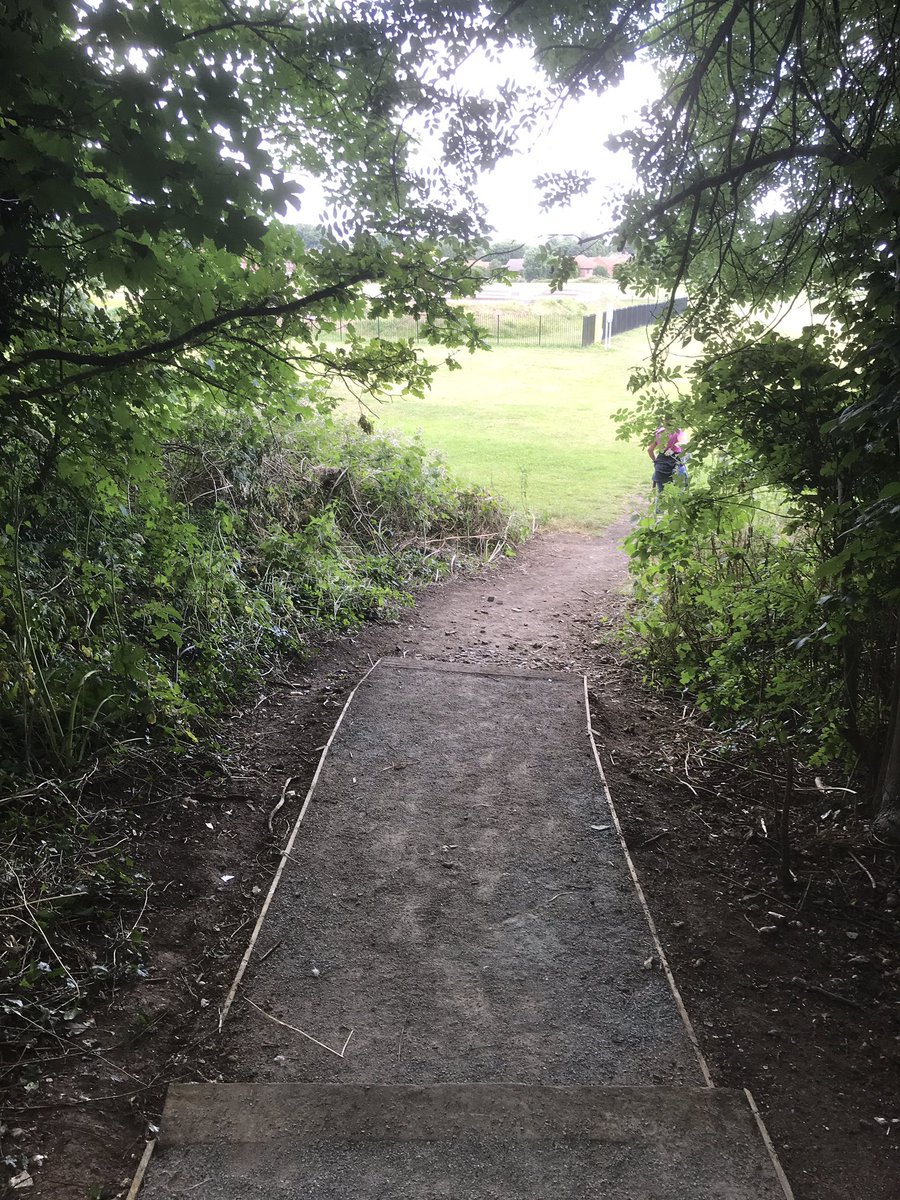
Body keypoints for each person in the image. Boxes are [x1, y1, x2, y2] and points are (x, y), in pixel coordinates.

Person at [647, 425, 687, 491]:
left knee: (661, 493)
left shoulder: (659, 432)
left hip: (661, 464)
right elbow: (685, 448)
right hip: (676, 463)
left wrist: (655, 460)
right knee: (680, 491)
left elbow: (650, 450)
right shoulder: (679, 432)